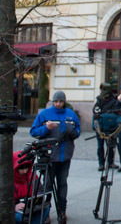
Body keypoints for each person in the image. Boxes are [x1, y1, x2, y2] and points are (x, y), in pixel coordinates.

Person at [30, 90, 80, 224]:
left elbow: (78, 131)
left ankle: (62, 211)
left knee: (62, 183)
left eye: (60, 101)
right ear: (53, 102)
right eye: (56, 101)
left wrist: (72, 132)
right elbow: (33, 131)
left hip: (65, 155)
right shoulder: (44, 114)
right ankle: (45, 212)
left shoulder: (71, 114)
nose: (58, 104)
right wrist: (46, 128)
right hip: (49, 156)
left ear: (64, 102)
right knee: (47, 185)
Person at [13, 151, 51, 224]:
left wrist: (37, 200)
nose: (24, 171)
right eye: (21, 168)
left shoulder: (33, 176)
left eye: (26, 167)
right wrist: (13, 206)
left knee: (45, 208)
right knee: (19, 217)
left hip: (31, 206)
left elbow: (40, 191)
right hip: (16, 208)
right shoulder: (7, 180)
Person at [93, 83, 118, 171]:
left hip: (110, 127)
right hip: (100, 127)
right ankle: (101, 163)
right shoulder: (99, 100)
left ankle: (110, 162)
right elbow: (96, 112)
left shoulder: (113, 100)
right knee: (100, 146)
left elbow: (114, 113)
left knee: (111, 145)